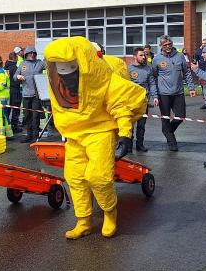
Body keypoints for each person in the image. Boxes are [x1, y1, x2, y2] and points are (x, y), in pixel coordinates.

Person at [44, 37, 147, 239]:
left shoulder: (103, 78)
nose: (68, 79)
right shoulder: (59, 81)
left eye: (71, 73)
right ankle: (83, 220)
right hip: (74, 134)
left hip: (100, 132)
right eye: (63, 73)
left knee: (98, 176)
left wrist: (125, 134)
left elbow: (121, 105)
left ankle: (110, 213)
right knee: (75, 177)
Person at [151, 35, 196, 151]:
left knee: (181, 116)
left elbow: (187, 73)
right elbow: (153, 77)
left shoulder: (180, 56)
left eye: (169, 44)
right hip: (163, 94)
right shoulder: (156, 59)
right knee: (165, 118)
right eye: (165, 45)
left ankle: (167, 131)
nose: (168, 46)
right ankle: (172, 142)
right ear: (161, 46)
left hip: (178, 92)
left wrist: (191, 88)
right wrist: (155, 95)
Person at [128, 47, 158, 152]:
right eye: (141, 55)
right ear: (135, 56)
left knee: (141, 125)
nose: (143, 57)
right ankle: (128, 146)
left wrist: (155, 97)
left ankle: (140, 145)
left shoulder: (148, 68)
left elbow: (152, 83)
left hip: (143, 101)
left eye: (144, 55)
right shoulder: (129, 69)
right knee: (129, 125)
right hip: (131, 102)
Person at [14, 46, 46, 143]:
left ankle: (36, 136)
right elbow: (14, 76)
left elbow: (50, 67)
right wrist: (18, 76)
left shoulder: (40, 63)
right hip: (26, 95)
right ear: (26, 54)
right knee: (27, 116)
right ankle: (29, 135)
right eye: (30, 53)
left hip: (36, 95)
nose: (32, 55)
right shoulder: (22, 64)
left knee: (36, 116)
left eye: (33, 53)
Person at [4, 52, 23, 133]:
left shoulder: (5, 68)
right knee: (16, 109)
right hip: (15, 90)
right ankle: (14, 126)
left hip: (6, 92)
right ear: (15, 58)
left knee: (7, 110)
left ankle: (7, 126)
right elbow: (17, 80)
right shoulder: (15, 68)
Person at [194, 39, 206, 109]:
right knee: (203, 88)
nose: (204, 44)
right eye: (203, 43)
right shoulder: (198, 51)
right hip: (202, 72)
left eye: (205, 43)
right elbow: (195, 61)